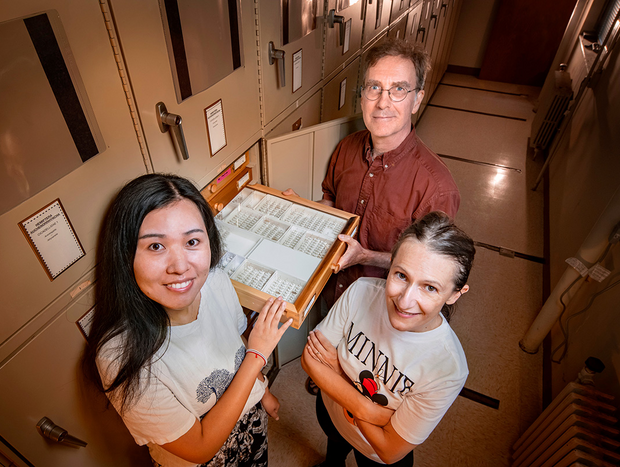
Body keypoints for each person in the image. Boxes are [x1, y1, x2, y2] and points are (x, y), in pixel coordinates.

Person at [83, 173, 292, 467]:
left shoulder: (216, 281)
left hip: (250, 423)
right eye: (156, 246)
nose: (181, 267)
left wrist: (262, 392)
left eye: (192, 241)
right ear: (124, 255)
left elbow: (237, 347)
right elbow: (199, 448)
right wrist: (258, 356)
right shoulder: (119, 355)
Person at [284, 38, 460, 309]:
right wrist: (302, 211)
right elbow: (331, 202)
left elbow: (429, 271)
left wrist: (364, 256)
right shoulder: (346, 148)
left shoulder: (436, 188)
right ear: (363, 95)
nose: (382, 102)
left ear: (417, 100)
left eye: (398, 89)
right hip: (330, 294)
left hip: (379, 312)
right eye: (374, 87)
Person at [302, 212, 475, 466]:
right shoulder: (362, 291)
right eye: (401, 275)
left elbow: (389, 450)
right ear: (390, 265)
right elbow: (309, 359)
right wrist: (371, 411)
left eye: (430, 288)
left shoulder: (448, 370)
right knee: (334, 452)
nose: (404, 301)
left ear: (455, 294)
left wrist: (338, 372)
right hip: (331, 414)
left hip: (373, 451)